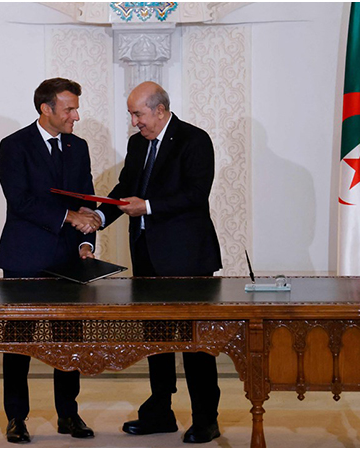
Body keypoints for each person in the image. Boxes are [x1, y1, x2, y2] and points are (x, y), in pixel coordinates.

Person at [95, 81, 224, 444]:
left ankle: (206, 418)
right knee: (156, 339)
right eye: (131, 115)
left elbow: (196, 195)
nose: (134, 122)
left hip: (188, 259)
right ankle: (160, 411)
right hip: (147, 256)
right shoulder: (138, 144)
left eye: (138, 114)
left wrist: (148, 207)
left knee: (196, 343)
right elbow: (125, 189)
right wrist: (99, 217)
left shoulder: (194, 140)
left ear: (160, 110)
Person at [0, 77, 101, 443]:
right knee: (18, 342)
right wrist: (71, 218)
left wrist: (86, 243)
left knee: (68, 340)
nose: (76, 116)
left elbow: (86, 199)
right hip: (24, 257)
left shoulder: (78, 146)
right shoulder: (14, 146)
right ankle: (16, 417)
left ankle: (68, 414)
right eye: (69, 109)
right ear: (46, 109)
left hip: (69, 258)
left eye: (76, 109)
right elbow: (20, 201)